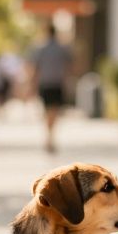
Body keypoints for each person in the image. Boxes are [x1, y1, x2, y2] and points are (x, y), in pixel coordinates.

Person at [29, 23, 74, 153]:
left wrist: (32, 84)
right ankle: (50, 137)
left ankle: (49, 137)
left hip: (45, 83)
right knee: (54, 110)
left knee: (47, 110)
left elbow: (35, 68)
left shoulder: (40, 49)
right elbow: (69, 67)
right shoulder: (62, 48)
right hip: (57, 83)